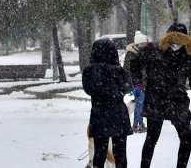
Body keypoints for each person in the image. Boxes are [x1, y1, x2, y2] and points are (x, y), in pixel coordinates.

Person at [130, 22, 191, 168]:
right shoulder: (154, 49)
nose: (176, 42)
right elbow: (135, 63)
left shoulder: (187, 54)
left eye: (181, 39)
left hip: (178, 100)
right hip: (156, 99)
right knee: (152, 138)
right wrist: (138, 83)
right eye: (174, 38)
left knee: (187, 139)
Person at [82, 38, 132, 168]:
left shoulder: (89, 71)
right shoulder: (118, 70)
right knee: (120, 153)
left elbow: (88, 90)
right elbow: (128, 88)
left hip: (99, 114)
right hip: (118, 114)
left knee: (99, 152)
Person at [122, 30, 150, 133]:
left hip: (141, 83)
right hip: (135, 84)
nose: (144, 45)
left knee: (140, 104)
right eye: (142, 44)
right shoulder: (132, 54)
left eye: (145, 43)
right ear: (138, 44)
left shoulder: (142, 52)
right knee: (138, 104)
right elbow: (129, 70)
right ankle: (136, 124)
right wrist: (135, 83)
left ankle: (139, 124)